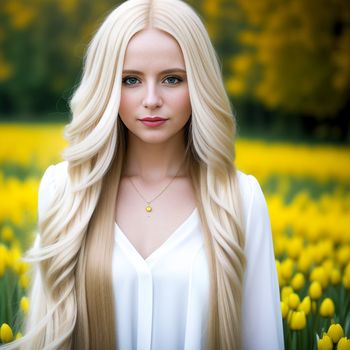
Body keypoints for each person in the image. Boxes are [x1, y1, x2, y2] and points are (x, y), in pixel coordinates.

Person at [3, 0, 284, 349]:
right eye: (131, 79)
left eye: (172, 79)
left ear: (199, 84)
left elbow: (264, 340)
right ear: (107, 86)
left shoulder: (241, 198)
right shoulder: (65, 190)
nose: (152, 99)